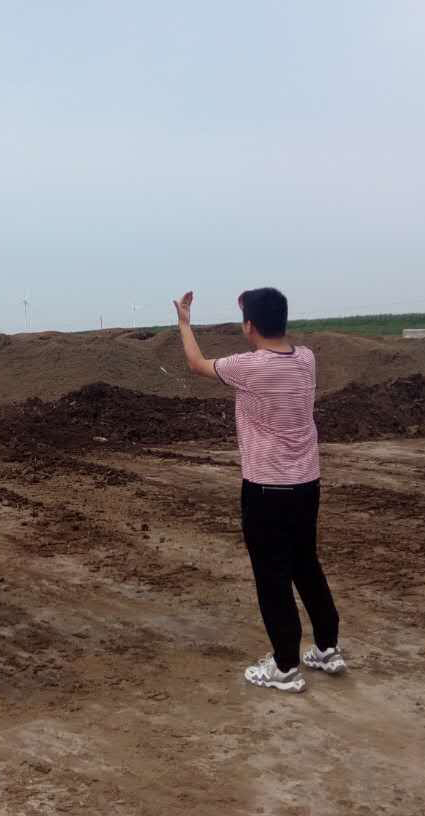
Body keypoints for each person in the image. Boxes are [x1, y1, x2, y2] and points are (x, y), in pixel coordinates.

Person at [173, 287, 345, 694]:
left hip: (266, 489)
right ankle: (327, 647)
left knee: (272, 577)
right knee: (305, 564)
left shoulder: (249, 367)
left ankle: (285, 666)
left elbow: (196, 364)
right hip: (307, 483)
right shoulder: (306, 359)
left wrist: (184, 322)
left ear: (249, 326)